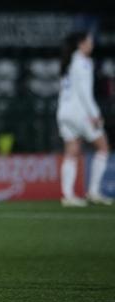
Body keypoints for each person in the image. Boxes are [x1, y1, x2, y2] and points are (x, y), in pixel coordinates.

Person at [58, 31, 112, 206]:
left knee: (71, 151)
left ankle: (68, 195)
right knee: (103, 147)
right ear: (80, 44)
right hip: (79, 112)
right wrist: (95, 115)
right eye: (89, 41)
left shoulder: (68, 61)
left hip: (63, 112)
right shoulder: (83, 62)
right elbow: (84, 93)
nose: (92, 44)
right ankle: (94, 191)